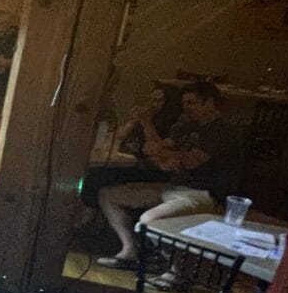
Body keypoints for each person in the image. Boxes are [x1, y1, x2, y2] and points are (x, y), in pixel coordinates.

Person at [96, 81, 242, 269]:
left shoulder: (223, 131)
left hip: (204, 194)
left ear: (210, 102)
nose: (186, 108)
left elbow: (191, 161)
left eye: (191, 103)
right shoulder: (186, 126)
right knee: (107, 195)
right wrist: (147, 124)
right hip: (173, 187)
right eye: (184, 103)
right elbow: (153, 149)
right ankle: (130, 250)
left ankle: (178, 272)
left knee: (149, 220)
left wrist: (164, 154)